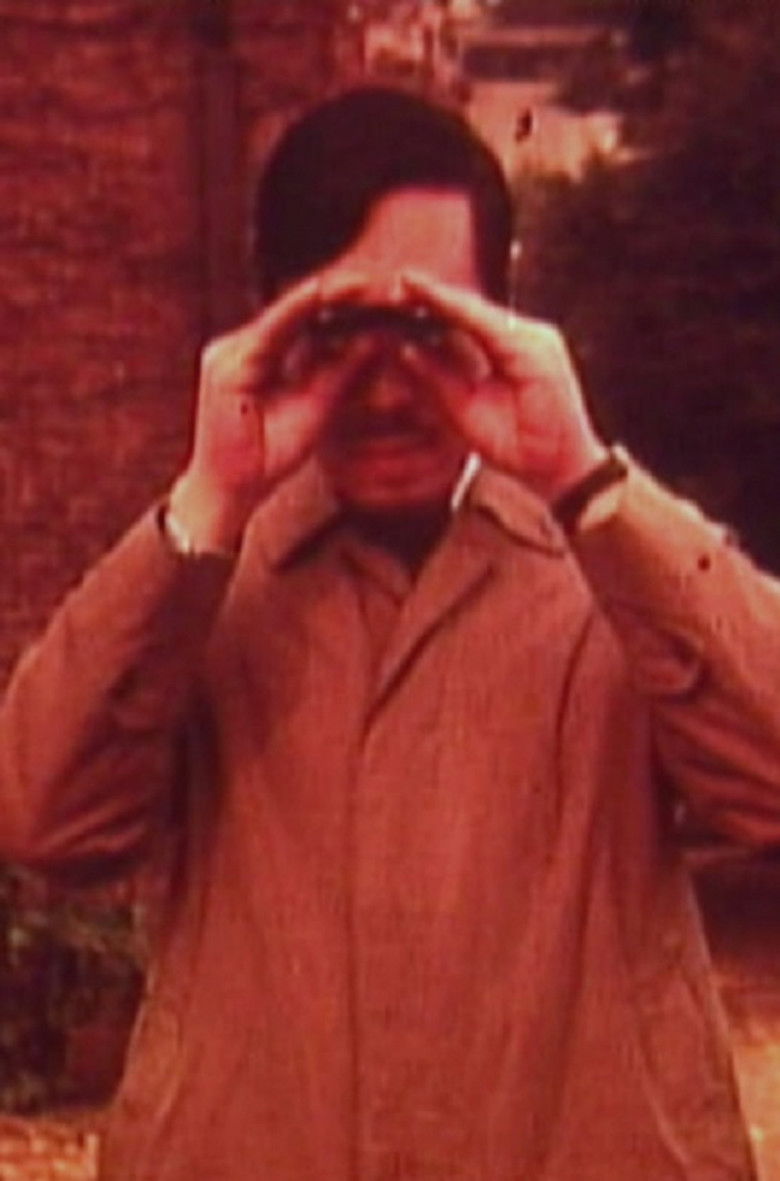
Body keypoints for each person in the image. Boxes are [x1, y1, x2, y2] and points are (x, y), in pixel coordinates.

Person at [1, 84, 779, 1181]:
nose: (385, 390)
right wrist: (207, 504)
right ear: (266, 325)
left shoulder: (617, 567)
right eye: (335, 333)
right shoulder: (200, 584)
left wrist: (584, 481)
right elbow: (44, 819)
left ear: (504, 317)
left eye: (427, 327)